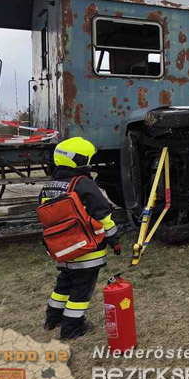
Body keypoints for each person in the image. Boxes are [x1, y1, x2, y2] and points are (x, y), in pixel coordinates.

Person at [40, 137, 121, 340]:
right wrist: (114, 240)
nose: (89, 163)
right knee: (81, 291)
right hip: (86, 250)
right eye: (87, 159)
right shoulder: (83, 184)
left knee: (63, 284)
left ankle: (52, 319)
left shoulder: (50, 185)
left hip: (63, 249)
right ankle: (72, 327)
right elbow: (103, 215)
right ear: (79, 160)